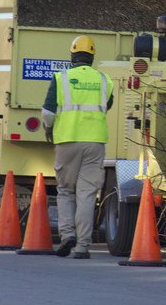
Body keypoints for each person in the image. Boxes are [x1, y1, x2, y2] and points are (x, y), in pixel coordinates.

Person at [41, 35, 114, 259]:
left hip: (67, 141)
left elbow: (48, 113)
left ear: (72, 56)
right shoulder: (104, 80)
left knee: (65, 191)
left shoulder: (61, 78)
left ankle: (67, 235)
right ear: (92, 56)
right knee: (87, 194)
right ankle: (82, 246)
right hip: (95, 142)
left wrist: (48, 131)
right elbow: (107, 105)